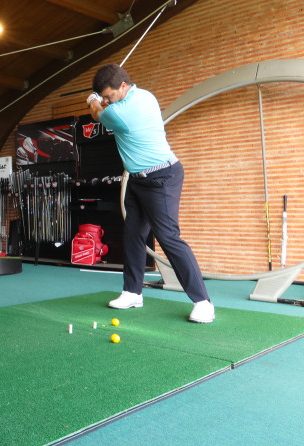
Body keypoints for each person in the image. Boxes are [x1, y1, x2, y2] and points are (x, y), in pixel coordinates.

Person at [87, 63, 214, 323]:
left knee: (168, 238)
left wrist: (92, 100)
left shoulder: (120, 113)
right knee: (133, 235)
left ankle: (203, 302)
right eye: (104, 97)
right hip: (138, 180)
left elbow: (96, 114)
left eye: (109, 96)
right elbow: (106, 104)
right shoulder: (145, 94)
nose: (107, 101)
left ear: (123, 86)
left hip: (161, 178)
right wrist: (102, 97)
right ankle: (133, 292)